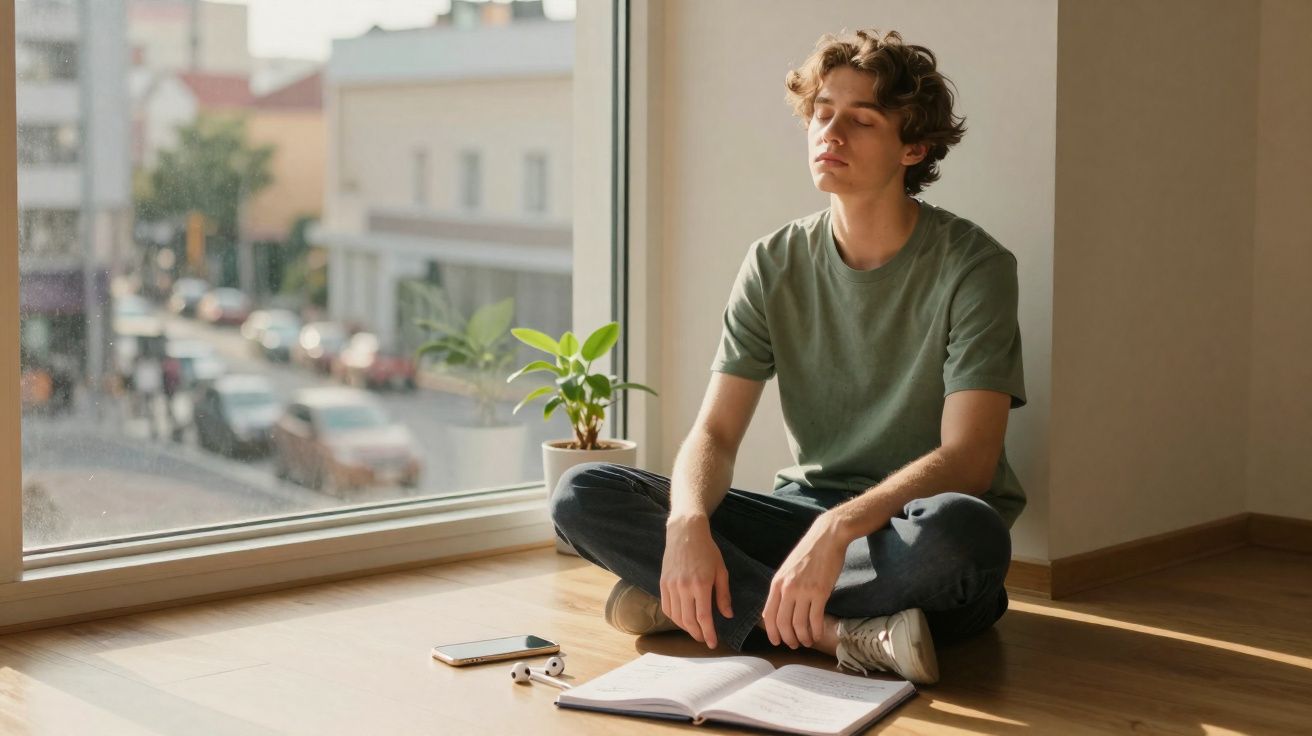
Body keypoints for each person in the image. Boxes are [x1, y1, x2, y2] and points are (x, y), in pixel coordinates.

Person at [551, 28, 1025, 686]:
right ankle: (846, 635)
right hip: (800, 522)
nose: (831, 133)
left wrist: (838, 531)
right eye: (822, 113)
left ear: (912, 147)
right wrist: (688, 523)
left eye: (861, 120)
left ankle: (703, 606)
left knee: (967, 536)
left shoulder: (975, 267)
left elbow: (969, 460)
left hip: (903, 535)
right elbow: (715, 432)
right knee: (582, 492)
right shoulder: (773, 262)